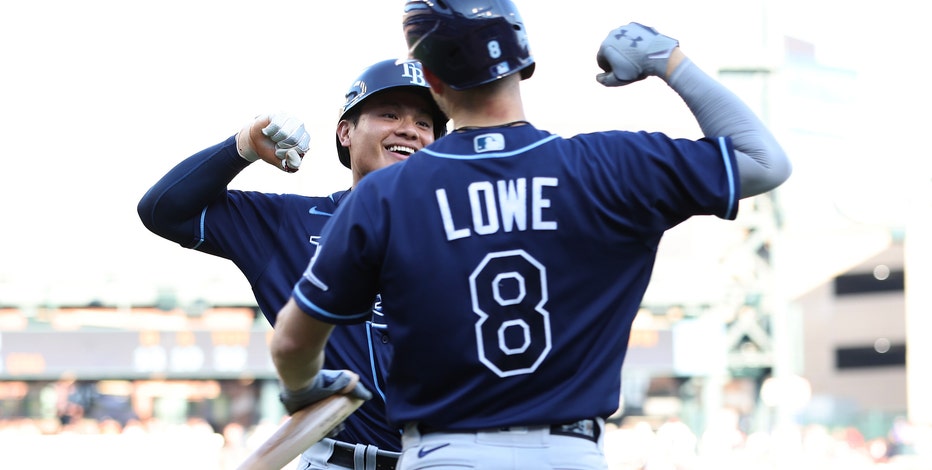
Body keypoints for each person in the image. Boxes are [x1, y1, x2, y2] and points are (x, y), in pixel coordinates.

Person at [269, 1, 792, 468]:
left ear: (431, 77)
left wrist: (305, 387)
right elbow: (763, 161)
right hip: (572, 453)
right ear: (525, 60)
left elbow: (292, 342)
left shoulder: (388, 195)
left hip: (445, 454)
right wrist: (667, 61)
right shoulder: (609, 166)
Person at [137, 58, 448, 470]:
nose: (410, 129)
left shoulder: (466, 233)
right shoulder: (290, 223)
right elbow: (163, 209)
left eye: (425, 123)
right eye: (389, 113)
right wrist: (242, 146)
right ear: (345, 132)